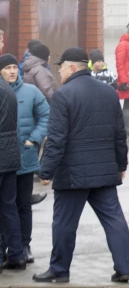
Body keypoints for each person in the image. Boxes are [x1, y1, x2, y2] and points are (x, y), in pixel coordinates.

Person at [33, 47, 129, 283]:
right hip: (104, 171)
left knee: (64, 224)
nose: (58, 71)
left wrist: (45, 171)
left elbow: (56, 138)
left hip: (72, 174)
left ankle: (59, 270)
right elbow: (120, 133)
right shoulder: (109, 92)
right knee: (114, 220)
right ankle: (125, 268)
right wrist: (121, 165)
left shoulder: (63, 95)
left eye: (61, 67)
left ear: (71, 67)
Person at [0, 55, 49, 265]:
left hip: (24, 158)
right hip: (5, 160)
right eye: (7, 68)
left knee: (23, 205)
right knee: (7, 206)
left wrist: (34, 139)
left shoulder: (31, 91)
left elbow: (46, 116)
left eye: (14, 67)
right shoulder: (3, 92)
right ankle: (7, 249)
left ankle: (23, 245)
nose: (12, 71)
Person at [0, 55, 26, 273]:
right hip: (9, 154)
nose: (12, 71)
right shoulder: (9, 91)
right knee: (8, 207)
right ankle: (17, 254)